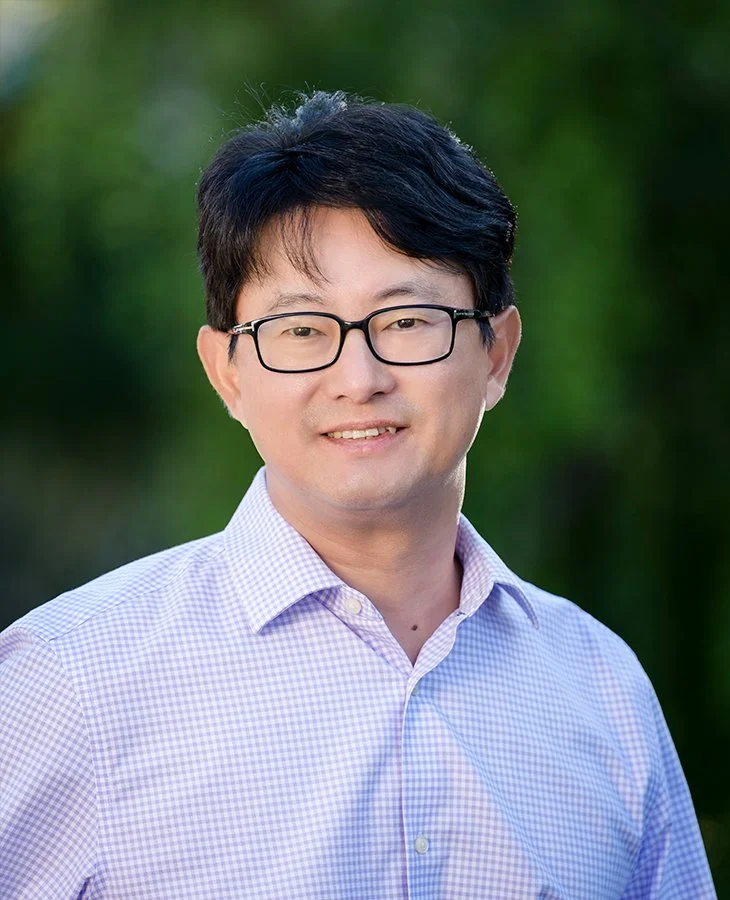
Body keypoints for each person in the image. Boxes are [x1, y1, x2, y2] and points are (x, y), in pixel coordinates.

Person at [0, 91, 715, 899]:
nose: (359, 379)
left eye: (408, 320)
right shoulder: (74, 681)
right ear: (226, 373)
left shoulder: (600, 688)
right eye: (301, 329)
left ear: (498, 354)